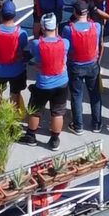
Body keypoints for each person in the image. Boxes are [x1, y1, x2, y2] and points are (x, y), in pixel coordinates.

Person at [27, 14, 71, 148]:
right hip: (62, 82)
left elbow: (34, 56)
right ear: (56, 26)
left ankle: (31, 136)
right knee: (58, 112)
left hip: (43, 84)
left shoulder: (36, 44)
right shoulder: (65, 43)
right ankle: (54, 140)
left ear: (42, 27)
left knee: (35, 111)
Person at [64, 0, 105, 135]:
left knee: (76, 96)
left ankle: (78, 126)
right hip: (92, 65)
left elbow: (66, 47)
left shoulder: (68, 29)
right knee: (95, 94)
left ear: (75, 13)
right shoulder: (96, 26)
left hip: (75, 65)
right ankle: (97, 124)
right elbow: (100, 44)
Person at [0, 5, 28, 107]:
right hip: (17, 70)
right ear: (14, 15)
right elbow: (22, 49)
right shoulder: (21, 33)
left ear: (1, 14)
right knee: (15, 94)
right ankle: (12, 114)